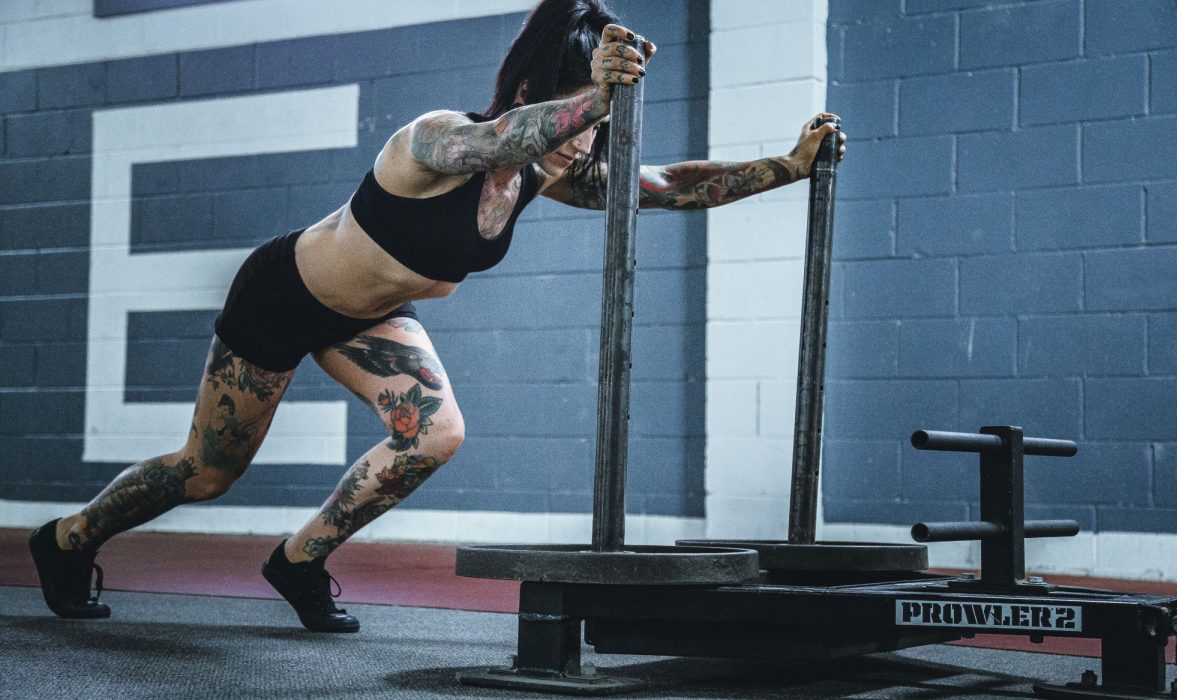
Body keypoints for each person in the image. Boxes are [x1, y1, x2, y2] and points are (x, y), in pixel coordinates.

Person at [28, 0, 847, 633]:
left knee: (435, 434)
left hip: (370, 316)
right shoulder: (436, 141)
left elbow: (664, 186)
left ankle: (298, 560)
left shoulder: (550, 169)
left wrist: (788, 165)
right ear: (527, 94)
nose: (579, 148)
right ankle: (67, 539)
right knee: (208, 473)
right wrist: (596, 97)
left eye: (590, 127)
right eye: (573, 119)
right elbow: (502, 140)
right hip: (283, 297)